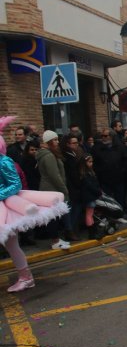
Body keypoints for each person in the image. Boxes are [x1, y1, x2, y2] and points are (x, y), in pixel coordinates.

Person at [1, 116, 68, 292]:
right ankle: (25, 277)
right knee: (10, 244)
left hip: (7, 206)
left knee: (11, 243)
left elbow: (15, 184)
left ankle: (26, 277)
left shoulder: (4, 161)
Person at [37, 130, 72, 250]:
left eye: (57, 139)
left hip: (51, 189)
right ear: (48, 141)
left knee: (54, 216)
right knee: (53, 217)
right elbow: (54, 176)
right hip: (52, 190)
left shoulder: (48, 154)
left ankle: (56, 239)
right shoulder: (48, 156)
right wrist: (64, 190)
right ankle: (55, 241)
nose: (57, 142)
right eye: (55, 140)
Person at [79, 154, 102, 239]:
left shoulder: (87, 172)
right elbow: (90, 185)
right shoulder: (85, 173)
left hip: (91, 196)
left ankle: (93, 232)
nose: (91, 163)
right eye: (89, 162)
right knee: (89, 214)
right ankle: (92, 233)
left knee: (90, 214)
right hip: (89, 197)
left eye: (92, 162)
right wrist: (98, 192)